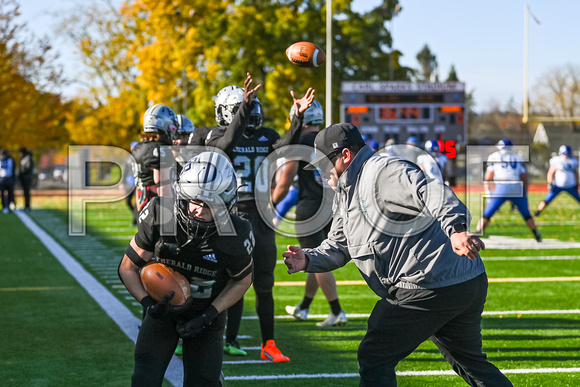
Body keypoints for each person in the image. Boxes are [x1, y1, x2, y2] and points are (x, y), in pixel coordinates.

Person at [283, 123, 513, 387]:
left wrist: (456, 229)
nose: (321, 174)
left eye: (324, 164)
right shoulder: (345, 190)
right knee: (471, 363)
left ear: (345, 156)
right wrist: (309, 259)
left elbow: (432, 191)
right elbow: (339, 245)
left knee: (374, 354)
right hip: (458, 280)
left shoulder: (382, 171)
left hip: (431, 283)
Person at [118, 152, 254, 386]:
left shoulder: (236, 233)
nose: (198, 210)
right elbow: (127, 268)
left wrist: (209, 314)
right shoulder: (161, 214)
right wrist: (148, 304)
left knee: (202, 382)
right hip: (163, 311)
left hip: (206, 316)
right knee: (144, 379)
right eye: (194, 200)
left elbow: (242, 280)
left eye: (208, 204)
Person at [212, 82, 314, 362]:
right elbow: (225, 146)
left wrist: (297, 118)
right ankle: (228, 338)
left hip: (262, 215)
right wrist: (244, 107)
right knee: (233, 278)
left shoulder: (265, 136)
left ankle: (268, 343)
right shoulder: (216, 136)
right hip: (231, 216)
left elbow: (286, 148)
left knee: (264, 282)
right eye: (246, 106)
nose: (253, 109)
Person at [271, 100, 347, 327]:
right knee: (316, 257)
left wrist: (271, 203)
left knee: (313, 257)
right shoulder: (329, 139)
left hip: (309, 206)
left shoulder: (300, 141)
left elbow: (285, 182)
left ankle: (337, 311)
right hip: (332, 205)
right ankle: (304, 307)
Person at [475, 139, 541, 242]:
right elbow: (524, 178)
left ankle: (476, 236)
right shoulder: (518, 158)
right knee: (527, 215)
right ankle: (537, 235)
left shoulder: (494, 157)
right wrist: (524, 194)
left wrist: (488, 193)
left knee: (486, 215)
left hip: (502, 188)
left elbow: (487, 178)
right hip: (516, 188)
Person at [132, 104, 179, 212]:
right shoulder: (160, 149)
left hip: (142, 206)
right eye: (172, 128)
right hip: (157, 208)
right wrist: (170, 210)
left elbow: (139, 184)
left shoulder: (138, 147)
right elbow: (162, 184)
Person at [535, 144, 580, 216]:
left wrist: (576, 183)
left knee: (579, 199)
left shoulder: (572, 161)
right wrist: (549, 183)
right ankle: (538, 212)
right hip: (558, 185)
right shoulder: (557, 160)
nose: (566, 155)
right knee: (547, 200)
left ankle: (538, 212)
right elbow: (550, 173)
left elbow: (576, 173)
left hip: (570, 186)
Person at [0, 149, 15, 214]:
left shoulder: (10, 160)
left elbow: (12, 169)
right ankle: (4, 206)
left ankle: (10, 204)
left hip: (9, 178)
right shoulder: (1, 160)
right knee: (3, 193)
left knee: (10, 192)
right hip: (2, 179)